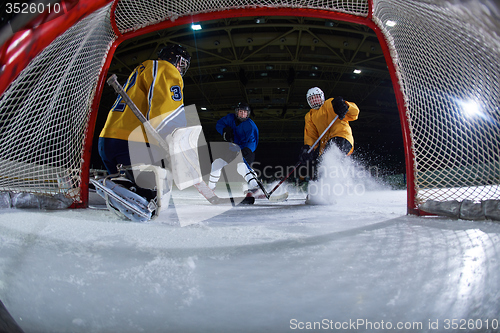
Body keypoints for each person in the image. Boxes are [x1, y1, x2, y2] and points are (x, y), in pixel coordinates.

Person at [98, 44, 191, 177]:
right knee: (152, 195)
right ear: (177, 60)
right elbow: (166, 113)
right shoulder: (165, 68)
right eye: (181, 64)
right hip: (133, 143)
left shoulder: (143, 68)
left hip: (107, 140)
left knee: (121, 191)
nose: (180, 69)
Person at [298, 87, 359, 178]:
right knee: (322, 165)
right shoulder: (309, 116)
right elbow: (311, 136)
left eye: (316, 97)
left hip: (342, 136)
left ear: (322, 97)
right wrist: (308, 148)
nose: (314, 100)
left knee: (330, 156)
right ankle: (322, 186)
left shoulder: (331, 103)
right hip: (325, 145)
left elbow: (354, 113)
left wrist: (345, 106)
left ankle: (336, 183)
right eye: (311, 99)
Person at [208, 102, 261, 195]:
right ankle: (211, 187)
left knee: (241, 167)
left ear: (248, 113)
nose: (243, 114)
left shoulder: (250, 126)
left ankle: (255, 186)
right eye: (241, 111)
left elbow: (253, 141)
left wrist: (246, 150)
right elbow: (219, 124)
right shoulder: (230, 118)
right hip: (232, 149)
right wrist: (224, 132)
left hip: (246, 150)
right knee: (217, 163)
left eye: (245, 112)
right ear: (237, 112)